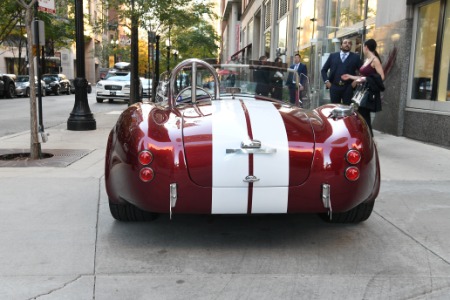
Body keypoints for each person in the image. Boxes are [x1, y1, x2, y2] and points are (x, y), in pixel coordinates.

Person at [342, 39, 385, 136]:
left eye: (363, 47)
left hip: (368, 93)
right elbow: (362, 77)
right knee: (360, 116)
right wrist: (350, 76)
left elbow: (381, 77)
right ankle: (365, 137)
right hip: (361, 92)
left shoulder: (375, 60)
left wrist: (364, 79)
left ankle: (369, 139)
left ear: (366, 47)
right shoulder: (367, 60)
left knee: (364, 117)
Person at [321, 38, 362, 105]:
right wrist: (327, 82)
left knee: (347, 109)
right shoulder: (333, 56)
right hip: (334, 87)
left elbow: (363, 72)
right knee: (334, 108)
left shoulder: (356, 57)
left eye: (349, 43)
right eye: (345, 43)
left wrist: (355, 82)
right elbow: (323, 70)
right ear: (341, 45)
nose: (347, 44)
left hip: (348, 87)